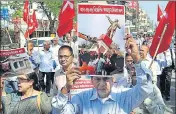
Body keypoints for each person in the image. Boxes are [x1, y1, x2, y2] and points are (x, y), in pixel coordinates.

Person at [51, 35, 153, 114]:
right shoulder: (82, 98)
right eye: (98, 79)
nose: (102, 84)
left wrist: (137, 59)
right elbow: (60, 111)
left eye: (106, 79)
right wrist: (66, 88)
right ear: (92, 80)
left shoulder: (124, 96)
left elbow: (145, 88)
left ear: (113, 79)